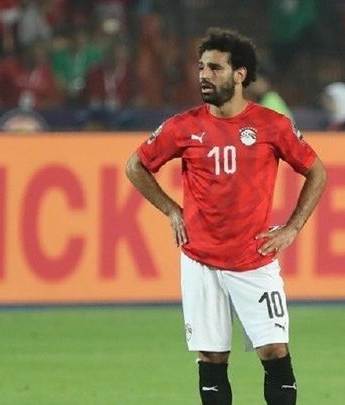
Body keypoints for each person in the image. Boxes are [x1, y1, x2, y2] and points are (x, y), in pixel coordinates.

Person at [125, 28, 327, 405]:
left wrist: (293, 227)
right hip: (200, 260)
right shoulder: (183, 126)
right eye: (202, 67)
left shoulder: (272, 125)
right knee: (212, 359)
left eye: (215, 68)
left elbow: (316, 171)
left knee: (275, 351)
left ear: (240, 74)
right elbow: (135, 165)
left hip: (254, 260)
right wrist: (171, 209)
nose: (204, 75)